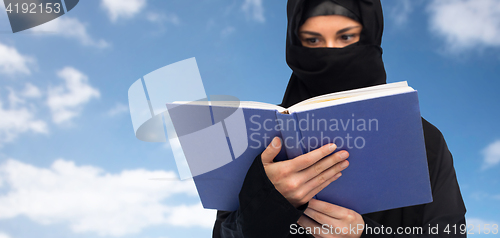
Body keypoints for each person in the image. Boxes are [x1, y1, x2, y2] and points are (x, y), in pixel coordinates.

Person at [212, 0, 466, 237]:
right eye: (313, 40)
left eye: (346, 37)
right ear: (295, 44)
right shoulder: (257, 131)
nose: (330, 52)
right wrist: (264, 203)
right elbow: (223, 232)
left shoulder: (424, 140)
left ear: (369, 37)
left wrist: (365, 233)